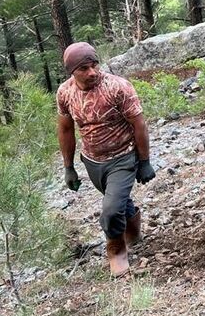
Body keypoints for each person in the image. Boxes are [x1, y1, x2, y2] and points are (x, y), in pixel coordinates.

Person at [56, 42, 155, 277]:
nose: (91, 72)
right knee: (119, 201)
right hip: (92, 160)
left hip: (123, 157)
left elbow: (138, 123)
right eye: (84, 69)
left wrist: (144, 160)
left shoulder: (118, 87)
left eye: (94, 65)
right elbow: (66, 129)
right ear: (72, 71)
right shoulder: (65, 93)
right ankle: (134, 234)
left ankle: (117, 251)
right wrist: (69, 167)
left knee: (110, 210)